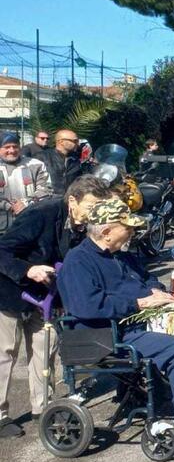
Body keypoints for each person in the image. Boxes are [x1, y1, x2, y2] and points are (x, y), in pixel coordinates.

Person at [58, 198, 174, 452]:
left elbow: (147, 279)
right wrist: (138, 303)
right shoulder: (78, 261)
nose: (132, 231)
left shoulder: (123, 255)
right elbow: (87, 306)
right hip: (111, 334)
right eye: (127, 227)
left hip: (145, 322)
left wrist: (157, 292)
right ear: (107, 232)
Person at [0, 176, 113, 438]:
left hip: (45, 296)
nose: (94, 213)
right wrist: (28, 269)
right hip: (9, 291)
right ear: (72, 200)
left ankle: (44, 407)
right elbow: (2, 251)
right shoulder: (41, 214)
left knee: (45, 349)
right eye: (91, 206)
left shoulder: (84, 225)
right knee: (5, 353)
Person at [0, 132, 52, 233]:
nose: (12, 150)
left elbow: (47, 190)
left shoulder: (36, 165)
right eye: (7, 147)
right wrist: (8, 206)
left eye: (15, 146)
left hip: (31, 224)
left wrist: (26, 203)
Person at [41, 129, 81, 195]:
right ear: (61, 142)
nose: (78, 144)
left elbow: (80, 179)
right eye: (74, 141)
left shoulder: (75, 159)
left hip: (70, 198)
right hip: (49, 198)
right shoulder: (42, 157)